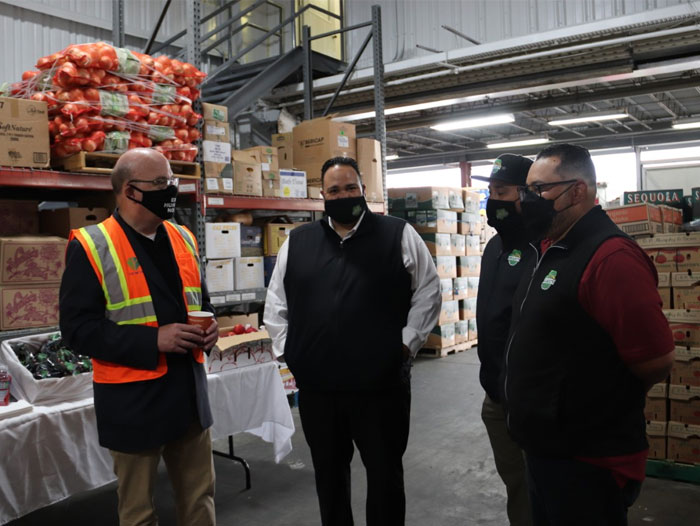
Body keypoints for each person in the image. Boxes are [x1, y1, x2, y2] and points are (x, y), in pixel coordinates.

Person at [503, 143, 674, 525]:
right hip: (545, 451)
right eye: (527, 190)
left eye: (539, 190)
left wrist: (597, 402)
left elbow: (656, 359)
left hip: (588, 462)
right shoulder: (548, 248)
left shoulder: (611, 258)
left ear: (577, 191)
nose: (528, 200)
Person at [264, 156, 441, 526]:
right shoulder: (298, 242)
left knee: (385, 473)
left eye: (350, 188)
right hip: (319, 390)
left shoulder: (397, 234)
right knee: (329, 476)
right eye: (334, 190)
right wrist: (289, 352)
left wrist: (406, 343)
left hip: (380, 386)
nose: (343, 195)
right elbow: (276, 303)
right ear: (322, 196)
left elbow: (428, 290)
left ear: (363, 189)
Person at [59, 148, 219, 526]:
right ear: (131, 191)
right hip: (133, 401)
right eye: (162, 183)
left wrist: (210, 326)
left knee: (200, 500)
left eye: (172, 181)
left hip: (188, 394)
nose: (172, 190)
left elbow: (201, 301)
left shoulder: (183, 237)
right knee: (138, 513)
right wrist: (152, 340)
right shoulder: (92, 245)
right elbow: (78, 331)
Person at [473, 154, 533, 526]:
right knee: (516, 485)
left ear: (526, 195)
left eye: (503, 192)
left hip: (531, 400)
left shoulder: (542, 247)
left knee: (538, 488)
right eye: (491, 192)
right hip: (496, 397)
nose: (494, 200)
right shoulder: (493, 248)